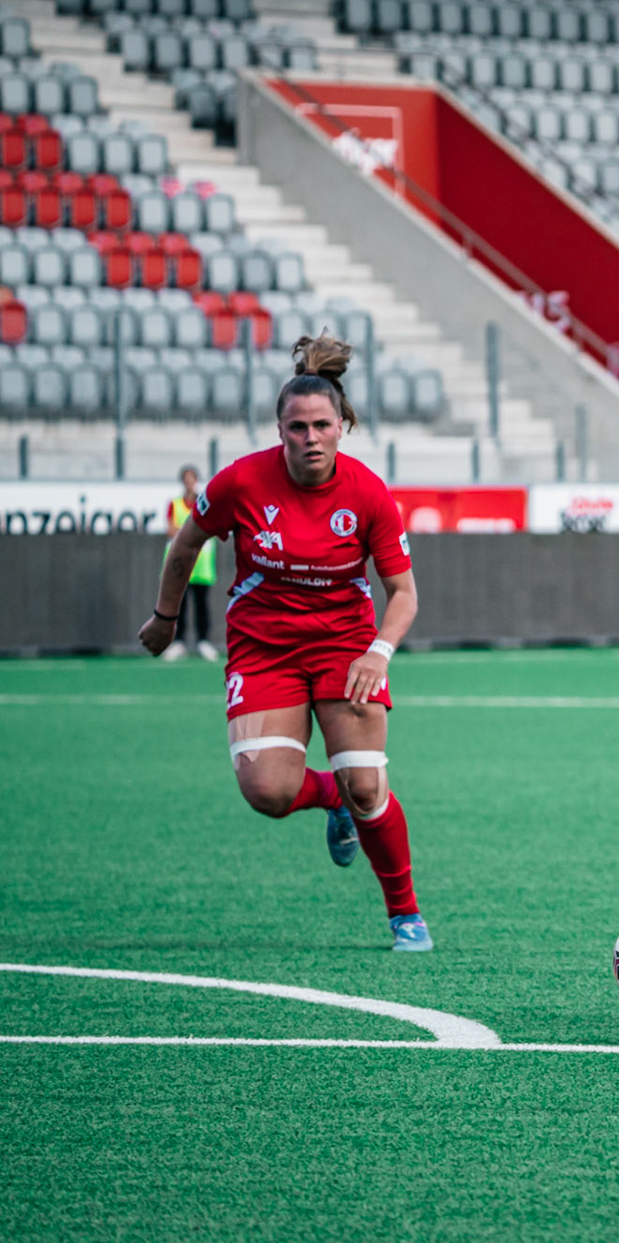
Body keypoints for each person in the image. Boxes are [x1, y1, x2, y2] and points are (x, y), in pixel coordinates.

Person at [138, 336, 432, 953]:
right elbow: (187, 545)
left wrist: (377, 652)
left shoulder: (369, 493)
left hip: (346, 647)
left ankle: (404, 912)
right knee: (267, 792)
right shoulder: (241, 481)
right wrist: (166, 618)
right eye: (296, 427)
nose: (310, 437)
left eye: (322, 424)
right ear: (280, 429)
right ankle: (331, 799)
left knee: (369, 784)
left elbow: (402, 593)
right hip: (263, 647)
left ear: (342, 426)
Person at [162, 465, 220, 662]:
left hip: (201, 565)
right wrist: (191, 532)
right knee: (180, 605)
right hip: (179, 565)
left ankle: (203, 641)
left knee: (202, 605)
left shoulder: (205, 502)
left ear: (196, 480)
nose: (189, 482)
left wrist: (185, 532)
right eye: (185, 478)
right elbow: (170, 529)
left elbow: (211, 527)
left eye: (192, 478)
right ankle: (179, 642)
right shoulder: (175, 504)